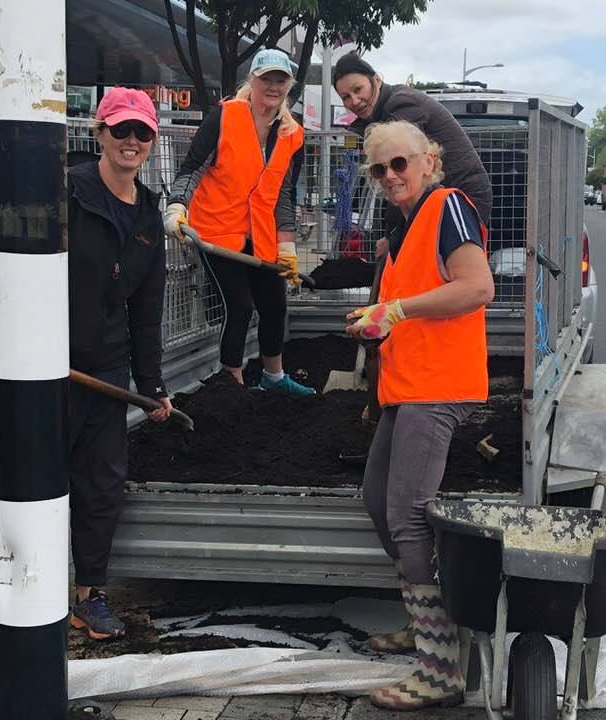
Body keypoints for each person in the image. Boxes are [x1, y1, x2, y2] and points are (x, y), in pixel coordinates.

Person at [0, 86, 174, 641]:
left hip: (104, 372)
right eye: (121, 130)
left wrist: (152, 387)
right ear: (99, 133)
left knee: (101, 482)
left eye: (142, 132)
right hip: (39, 366)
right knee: (23, 478)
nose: (132, 141)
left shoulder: (149, 216)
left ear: (152, 141)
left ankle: (91, 596)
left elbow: (146, 311)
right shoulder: (64, 193)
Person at [345, 120, 495, 710]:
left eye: (399, 164)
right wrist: (380, 314)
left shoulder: (449, 207)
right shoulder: (408, 225)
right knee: (378, 501)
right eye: (378, 170)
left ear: (430, 161)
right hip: (407, 388)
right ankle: (428, 619)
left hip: (437, 387)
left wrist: (397, 310)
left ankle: (440, 669)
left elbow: (477, 287)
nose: (389, 177)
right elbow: (414, 300)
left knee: (408, 515)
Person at [163, 48, 313, 395]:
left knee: (275, 304)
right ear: (253, 81)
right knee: (240, 306)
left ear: (289, 85)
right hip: (215, 231)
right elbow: (192, 169)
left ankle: (274, 378)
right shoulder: (224, 118)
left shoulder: (292, 135)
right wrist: (175, 207)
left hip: (260, 235)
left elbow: (284, 194)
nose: (273, 87)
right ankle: (232, 386)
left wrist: (286, 245)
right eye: (266, 80)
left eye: (280, 80)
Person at [333, 53, 495, 255]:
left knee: (442, 268)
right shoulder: (388, 109)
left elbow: (401, 179)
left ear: (376, 79)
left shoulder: (401, 105)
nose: (354, 101)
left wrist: (393, 237)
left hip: (462, 196)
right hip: (441, 197)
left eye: (358, 89)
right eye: (346, 97)